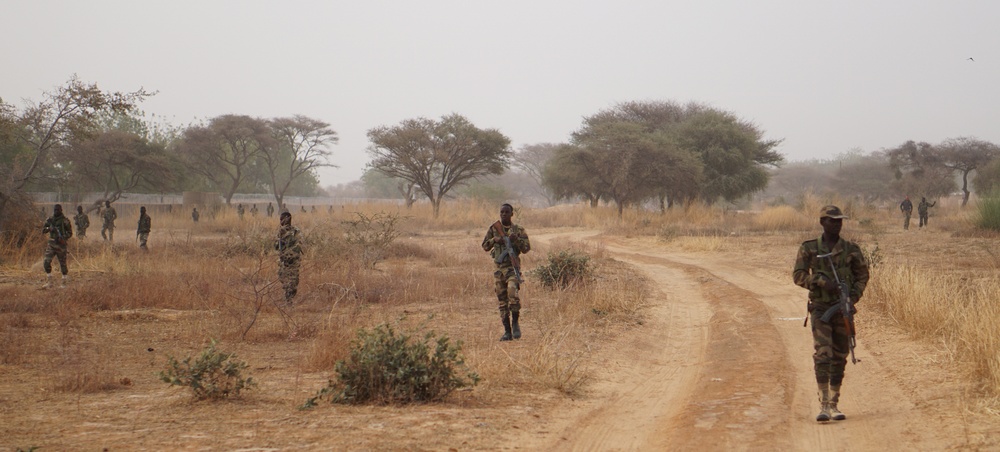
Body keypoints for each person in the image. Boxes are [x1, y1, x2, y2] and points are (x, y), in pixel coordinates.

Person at [793, 205, 870, 422]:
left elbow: (862, 275)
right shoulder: (810, 248)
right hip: (820, 308)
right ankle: (823, 403)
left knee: (840, 355)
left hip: (842, 309)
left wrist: (852, 296)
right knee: (823, 354)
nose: (837, 224)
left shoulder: (851, 249)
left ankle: (835, 403)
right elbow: (798, 275)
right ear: (822, 222)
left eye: (839, 221)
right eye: (832, 220)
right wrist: (818, 281)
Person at [481, 203, 531, 341]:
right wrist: (494, 240)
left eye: (506, 212)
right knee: (502, 300)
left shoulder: (518, 230)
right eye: (501, 212)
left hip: (512, 268)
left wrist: (517, 241)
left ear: (511, 214)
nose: (503, 214)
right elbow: (484, 246)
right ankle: (507, 332)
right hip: (498, 269)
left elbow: (526, 248)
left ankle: (515, 323)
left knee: (512, 294)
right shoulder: (494, 228)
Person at [42, 204, 74, 288]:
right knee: (46, 262)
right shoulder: (50, 220)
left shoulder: (65, 221)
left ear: (61, 210)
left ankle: (64, 282)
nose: (56, 211)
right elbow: (43, 230)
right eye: (55, 210)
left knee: (63, 264)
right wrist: (50, 229)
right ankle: (50, 282)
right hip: (51, 244)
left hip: (61, 245)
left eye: (58, 210)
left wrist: (62, 238)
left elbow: (70, 233)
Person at [274, 211, 302, 304]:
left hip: (293, 260)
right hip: (284, 260)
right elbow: (276, 246)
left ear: (288, 219)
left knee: (294, 280)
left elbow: (299, 245)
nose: (280, 222)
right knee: (283, 277)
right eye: (280, 220)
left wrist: (291, 254)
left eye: (282, 219)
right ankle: (288, 298)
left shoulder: (295, 231)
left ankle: (289, 297)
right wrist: (279, 242)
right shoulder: (280, 232)